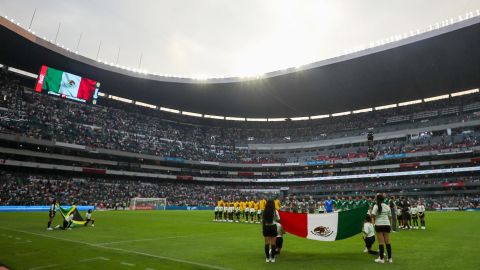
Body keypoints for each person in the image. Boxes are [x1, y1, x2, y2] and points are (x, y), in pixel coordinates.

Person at [371, 194, 393, 264]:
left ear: (377, 199)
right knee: (388, 242)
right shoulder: (387, 206)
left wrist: (373, 223)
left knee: (381, 243)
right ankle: (390, 259)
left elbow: (373, 215)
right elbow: (390, 217)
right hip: (387, 225)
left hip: (379, 225)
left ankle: (381, 259)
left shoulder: (376, 206)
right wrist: (390, 224)